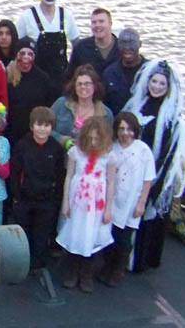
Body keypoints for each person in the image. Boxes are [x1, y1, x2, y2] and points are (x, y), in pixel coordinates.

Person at [123, 59, 185, 273]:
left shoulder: (173, 120)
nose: (157, 87)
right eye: (154, 82)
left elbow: (169, 156)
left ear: (169, 87)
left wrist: (154, 183)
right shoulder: (137, 106)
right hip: (132, 170)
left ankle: (141, 261)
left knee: (149, 218)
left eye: (162, 84)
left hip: (156, 174)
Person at [56, 116, 117, 293]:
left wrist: (108, 209)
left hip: (96, 205)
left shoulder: (108, 156)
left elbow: (111, 182)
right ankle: (72, 272)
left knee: (91, 235)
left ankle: (86, 274)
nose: (92, 142)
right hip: (78, 202)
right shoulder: (76, 152)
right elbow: (69, 177)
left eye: (97, 139)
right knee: (76, 233)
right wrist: (65, 202)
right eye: (89, 138)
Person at [101, 112, 155, 287]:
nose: (125, 133)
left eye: (129, 129)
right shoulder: (112, 148)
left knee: (124, 239)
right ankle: (107, 266)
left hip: (131, 200)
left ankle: (118, 269)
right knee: (110, 236)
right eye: (122, 129)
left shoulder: (143, 150)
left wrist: (141, 202)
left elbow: (148, 178)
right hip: (113, 199)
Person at [10, 106, 65, 274]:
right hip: (25, 198)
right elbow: (14, 172)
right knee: (23, 233)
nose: (42, 129)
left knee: (41, 234)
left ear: (51, 128)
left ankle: (38, 265)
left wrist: (56, 199)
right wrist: (16, 196)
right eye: (39, 125)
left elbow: (60, 175)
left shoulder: (56, 148)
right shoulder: (22, 145)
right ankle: (21, 264)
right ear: (32, 126)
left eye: (47, 125)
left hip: (46, 200)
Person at [15, 0, 79, 87]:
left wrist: (72, 70)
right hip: (35, 78)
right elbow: (15, 47)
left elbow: (77, 45)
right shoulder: (27, 16)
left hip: (62, 78)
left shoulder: (67, 15)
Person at [5, 37, 55, 147]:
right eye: (22, 53)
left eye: (30, 53)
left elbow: (48, 106)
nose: (26, 57)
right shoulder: (7, 75)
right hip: (11, 131)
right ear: (16, 54)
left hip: (35, 133)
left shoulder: (43, 79)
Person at [50, 64, 113, 144]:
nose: (83, 87)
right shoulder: (61, 104)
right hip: (59, 153)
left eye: (87, 84)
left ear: (95, 86)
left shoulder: (106, 114)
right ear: (74, 87)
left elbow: (108, 142)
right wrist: (63, 140)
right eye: (79, 84)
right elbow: (45, 128)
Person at [103, 28, 146, 114]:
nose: (127, 47)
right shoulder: (109, 74)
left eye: (132, 42)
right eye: (123, 43)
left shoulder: (150, 70)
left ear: (140, 44)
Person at [66, 8, 118, 81]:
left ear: (110, 24)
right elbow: (70, 77)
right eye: (94, 22)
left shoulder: (121, 48)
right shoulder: (81, 48)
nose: (97, 25)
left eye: (101, 21)